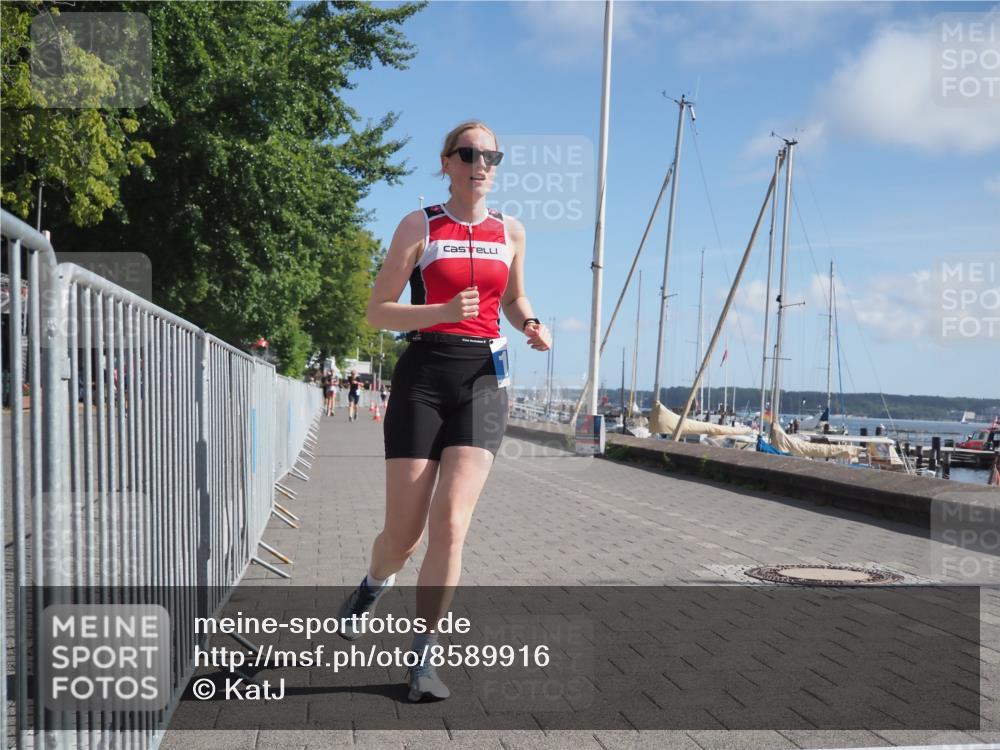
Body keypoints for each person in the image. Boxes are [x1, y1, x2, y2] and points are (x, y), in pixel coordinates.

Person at [336, 120, 551, 702]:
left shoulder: (512, 231)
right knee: (402, 536)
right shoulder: (420, 224)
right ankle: (373, 584)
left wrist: (529, 322)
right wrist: (437, 311)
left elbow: (511, 296)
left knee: (451, 524)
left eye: (491, 155)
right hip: (424, 379)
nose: (481, 163)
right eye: (469, 153)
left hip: (484, 381)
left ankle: (424, 658)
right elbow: (378, 311)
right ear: (448, 162)